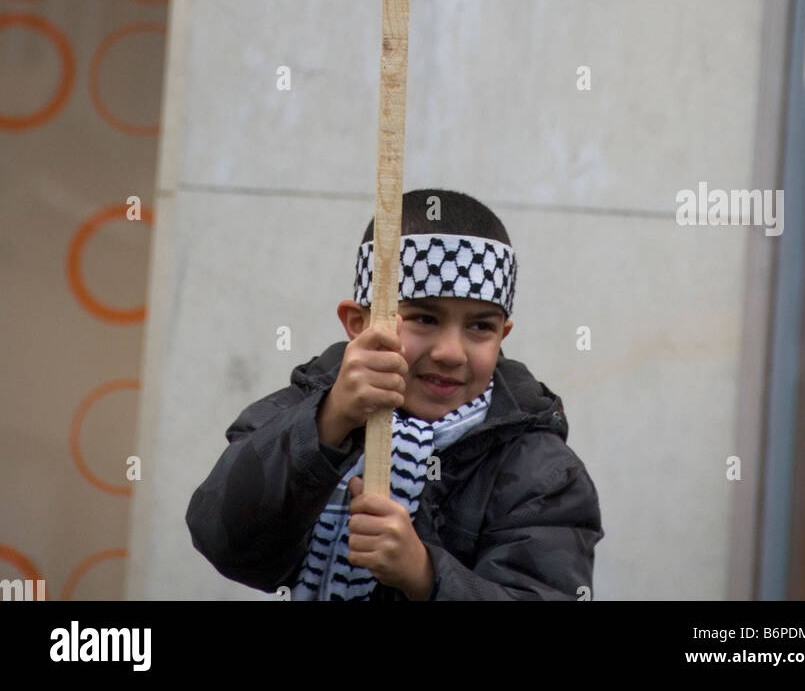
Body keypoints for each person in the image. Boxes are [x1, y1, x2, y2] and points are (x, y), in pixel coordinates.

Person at [185, 189, 604, 601]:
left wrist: (424, 574)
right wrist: (328, 423)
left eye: (480, 327)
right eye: (423, 318)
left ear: (502, 335)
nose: (450, 353)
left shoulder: (543, 472)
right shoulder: (298, 411)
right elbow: (222, 538)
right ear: (357, 323)